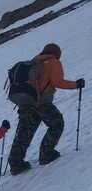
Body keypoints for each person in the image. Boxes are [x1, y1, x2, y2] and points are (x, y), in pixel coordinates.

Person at [8, 43, 85, 175]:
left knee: (24, 132)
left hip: (26, 103)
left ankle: (16, 164)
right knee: (57, 123)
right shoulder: (54, 62)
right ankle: (46, 154)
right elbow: (57, 82)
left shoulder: (35, 62)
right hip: (42, 103)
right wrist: (76, 84)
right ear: (57, 53)